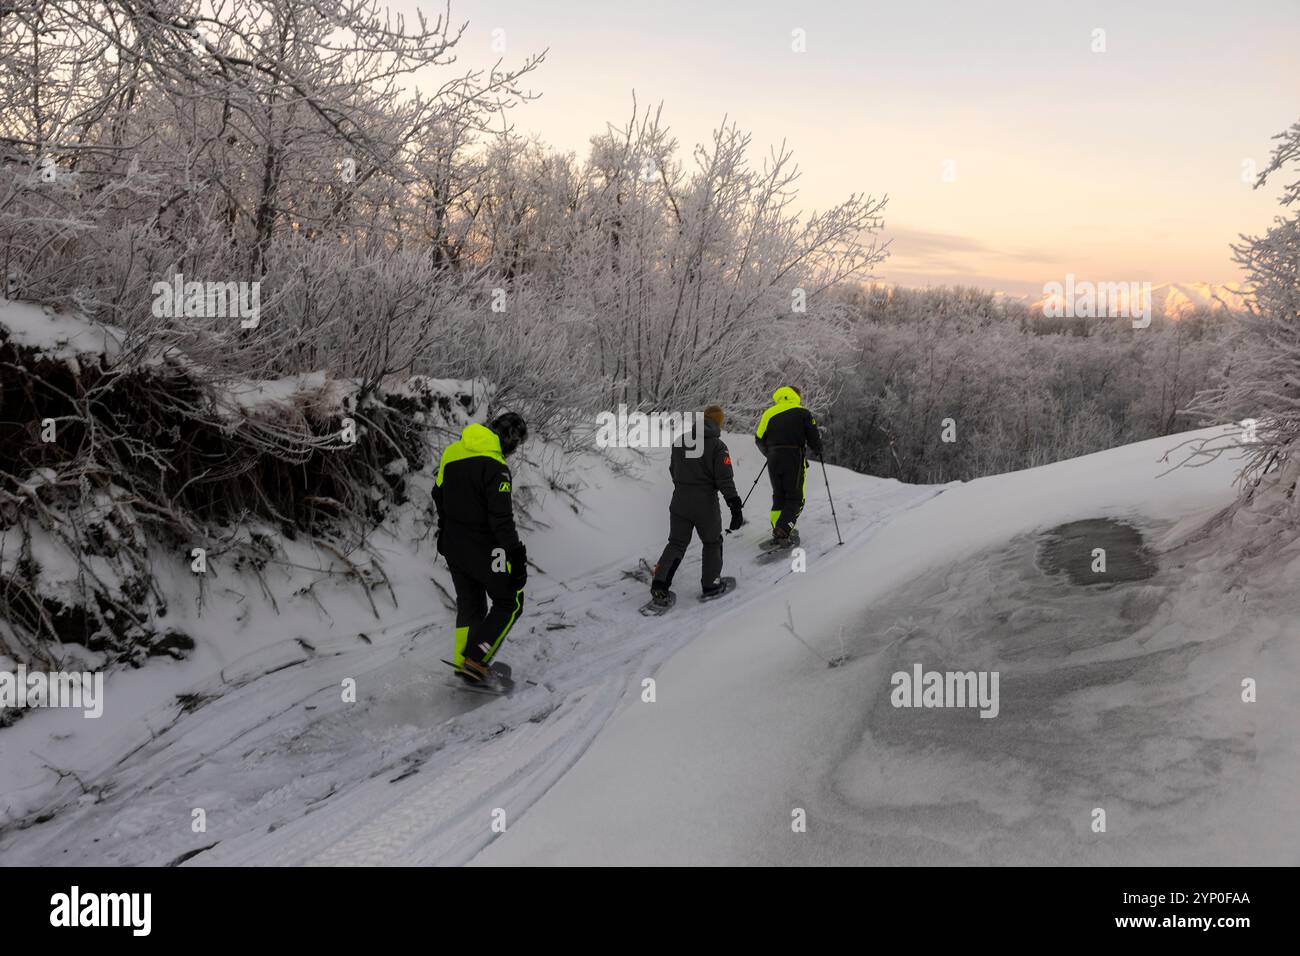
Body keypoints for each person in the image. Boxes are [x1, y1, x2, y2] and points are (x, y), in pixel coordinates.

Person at [432, 412, 529, 685]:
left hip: (452, 544)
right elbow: (501, 520)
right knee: (510, 602)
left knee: (470, 605)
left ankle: (463, 664)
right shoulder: (496, 466)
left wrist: (446, 526)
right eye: (516, 443)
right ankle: (475, 661)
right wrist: (517, 556)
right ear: (510, 440)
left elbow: (437, 493)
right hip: (486, 548)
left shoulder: (453, 452)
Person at [649, 405, 744, 604]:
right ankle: (711, 585)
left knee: (676, 543)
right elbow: (724, 479)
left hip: (679, 501)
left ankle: (659, 585)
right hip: (705, 504)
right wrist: (734, 505)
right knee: (711, 542)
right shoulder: (718, 447)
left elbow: (673, 470)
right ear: (718, 422)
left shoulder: (680, 441)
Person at [754, 386, 823, 543]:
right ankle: (783, 529)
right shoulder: (803, 412)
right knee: (795, 497)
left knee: (779, 496)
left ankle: (778, 526)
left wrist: (769, 453)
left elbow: (758, 439)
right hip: (793, 457)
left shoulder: (768, 413)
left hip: (773, 459)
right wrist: (818, 450)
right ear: (796, 396)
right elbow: (813, 436)